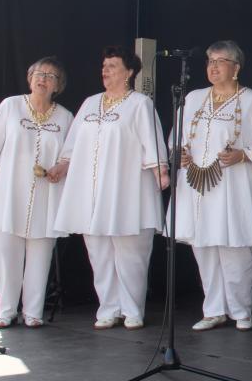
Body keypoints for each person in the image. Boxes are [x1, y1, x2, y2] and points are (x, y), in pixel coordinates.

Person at [52, 46, 169, 330]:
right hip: (91, 193)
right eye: (104, 65)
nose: (105, 70)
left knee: (131, 254)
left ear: (129, 72)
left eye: (113, 66)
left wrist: (160, 172)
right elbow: (72, 144)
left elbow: (151, 143)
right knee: (99, 253)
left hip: (127, 191)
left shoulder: (139, 104)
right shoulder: (90, 103)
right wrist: (61, 166)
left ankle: (132, 309)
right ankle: (108, 307)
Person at [171, 41, 252, 332]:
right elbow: (177, 137)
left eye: (220, 61)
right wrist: (178, 152)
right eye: (209, 61)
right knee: (203, 245)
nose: (213, 66)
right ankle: (214, 309)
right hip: (197, 184)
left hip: (234, 185)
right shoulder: (193, 98)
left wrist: (242, 154)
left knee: (236, 247)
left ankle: (241, 310)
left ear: (236, 67)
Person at [0, 57, 74, 329]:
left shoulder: (65, 117)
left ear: (58, 85)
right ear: (30, 78)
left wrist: (61, 167)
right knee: (5, 253)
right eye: (39, 74)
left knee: (40, 257)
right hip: (8, 195)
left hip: (46, 197)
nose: (43, 79)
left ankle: (33, 312)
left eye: (51, 76)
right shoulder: (10, 106)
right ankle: (6, 310)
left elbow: (71, 154)